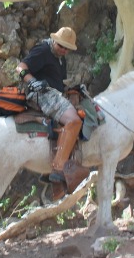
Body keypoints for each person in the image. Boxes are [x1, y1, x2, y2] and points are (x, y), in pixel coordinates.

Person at [15, 27, 83, 185]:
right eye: (61, 46)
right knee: (74, 121)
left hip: (55, 93)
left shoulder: (61, 57)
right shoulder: (43, 50)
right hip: (42, 93)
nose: (64, 50)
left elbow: (57, 80)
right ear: (54, 41)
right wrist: (32, 81)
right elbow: (20, 67)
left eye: (67, 48)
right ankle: (58, 167)